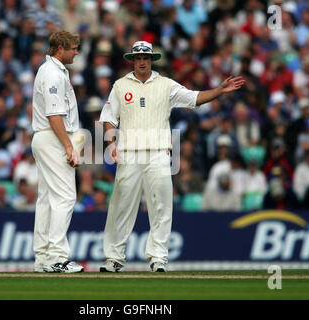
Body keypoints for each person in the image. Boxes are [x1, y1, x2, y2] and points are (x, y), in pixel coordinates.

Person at [99, 40, 245, 272]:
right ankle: (114, 258)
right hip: (128, 154)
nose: (142, 61)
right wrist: (111, 142)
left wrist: (218, 90)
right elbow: (108, 117)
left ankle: (158, 258)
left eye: (146, 58)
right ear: (133, 60)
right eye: (138, 58)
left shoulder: (166, 85)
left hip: (158, 153)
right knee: (121, 206)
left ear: (152, 60)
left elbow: (194, 98)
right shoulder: (120, 85)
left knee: (161, 207)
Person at [31, 30, 84, 273]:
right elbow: (54, 115)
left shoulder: (50, 70)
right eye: (73, 48)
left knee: (47, 199)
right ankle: (57, 257)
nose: (76, 52)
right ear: (60, 48)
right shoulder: (53, 73)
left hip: (46, 138)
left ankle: (43, 257)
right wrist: (69, 146)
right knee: (64, 197)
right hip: (53, 138)